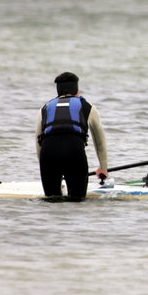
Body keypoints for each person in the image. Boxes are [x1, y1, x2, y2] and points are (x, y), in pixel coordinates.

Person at [35, 72, 108, 200]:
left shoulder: (45, 108)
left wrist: (44, 166)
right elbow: (99, 141)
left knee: (51, 199)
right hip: (74, 153)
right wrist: (103, 167)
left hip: (48, 155)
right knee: (77, 200)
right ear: (77, 90)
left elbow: (38, 141)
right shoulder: (87, 106)